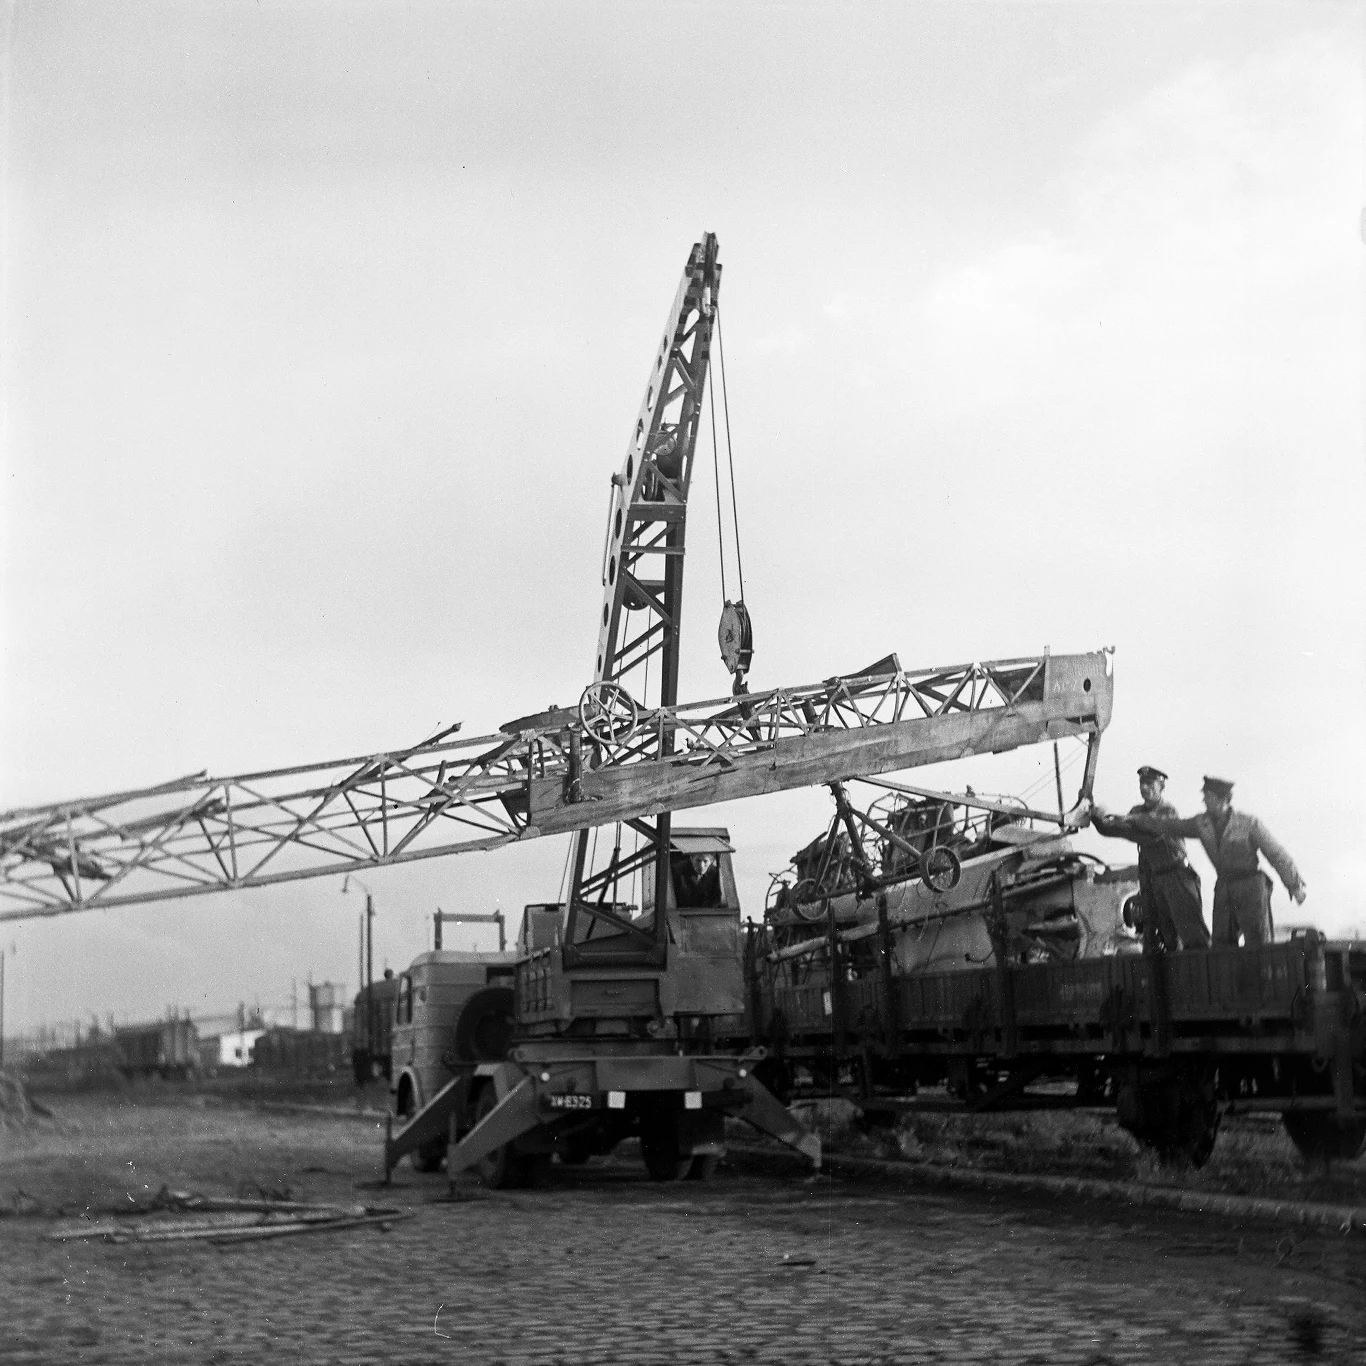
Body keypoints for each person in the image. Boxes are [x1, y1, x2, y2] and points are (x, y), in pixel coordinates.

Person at [1112, 776, 1306, 948]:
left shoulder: (1249, 823)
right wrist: (1133, 818)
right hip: (1224, 887)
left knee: (1258, 943)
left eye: (1208, 796)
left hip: (1251, 887)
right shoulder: (1202, 823)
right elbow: (1166, 825)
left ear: (1224, 800)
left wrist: (1295, 884)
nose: (1203, 800)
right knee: (1221, 944)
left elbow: (1276, 854)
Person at [1092, 766, 1209, 951]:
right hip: (1156, 880)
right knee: (1166, 938)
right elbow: (1117, 829)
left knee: (1192, 936)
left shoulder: (1167, 811)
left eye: (1150, 783)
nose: (1145, 788)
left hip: (1177, 876)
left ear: (1161, 786)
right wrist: (1097, 819)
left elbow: (1148, 833)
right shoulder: (1136, 811)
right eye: (1142, 783)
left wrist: (1121, 821)